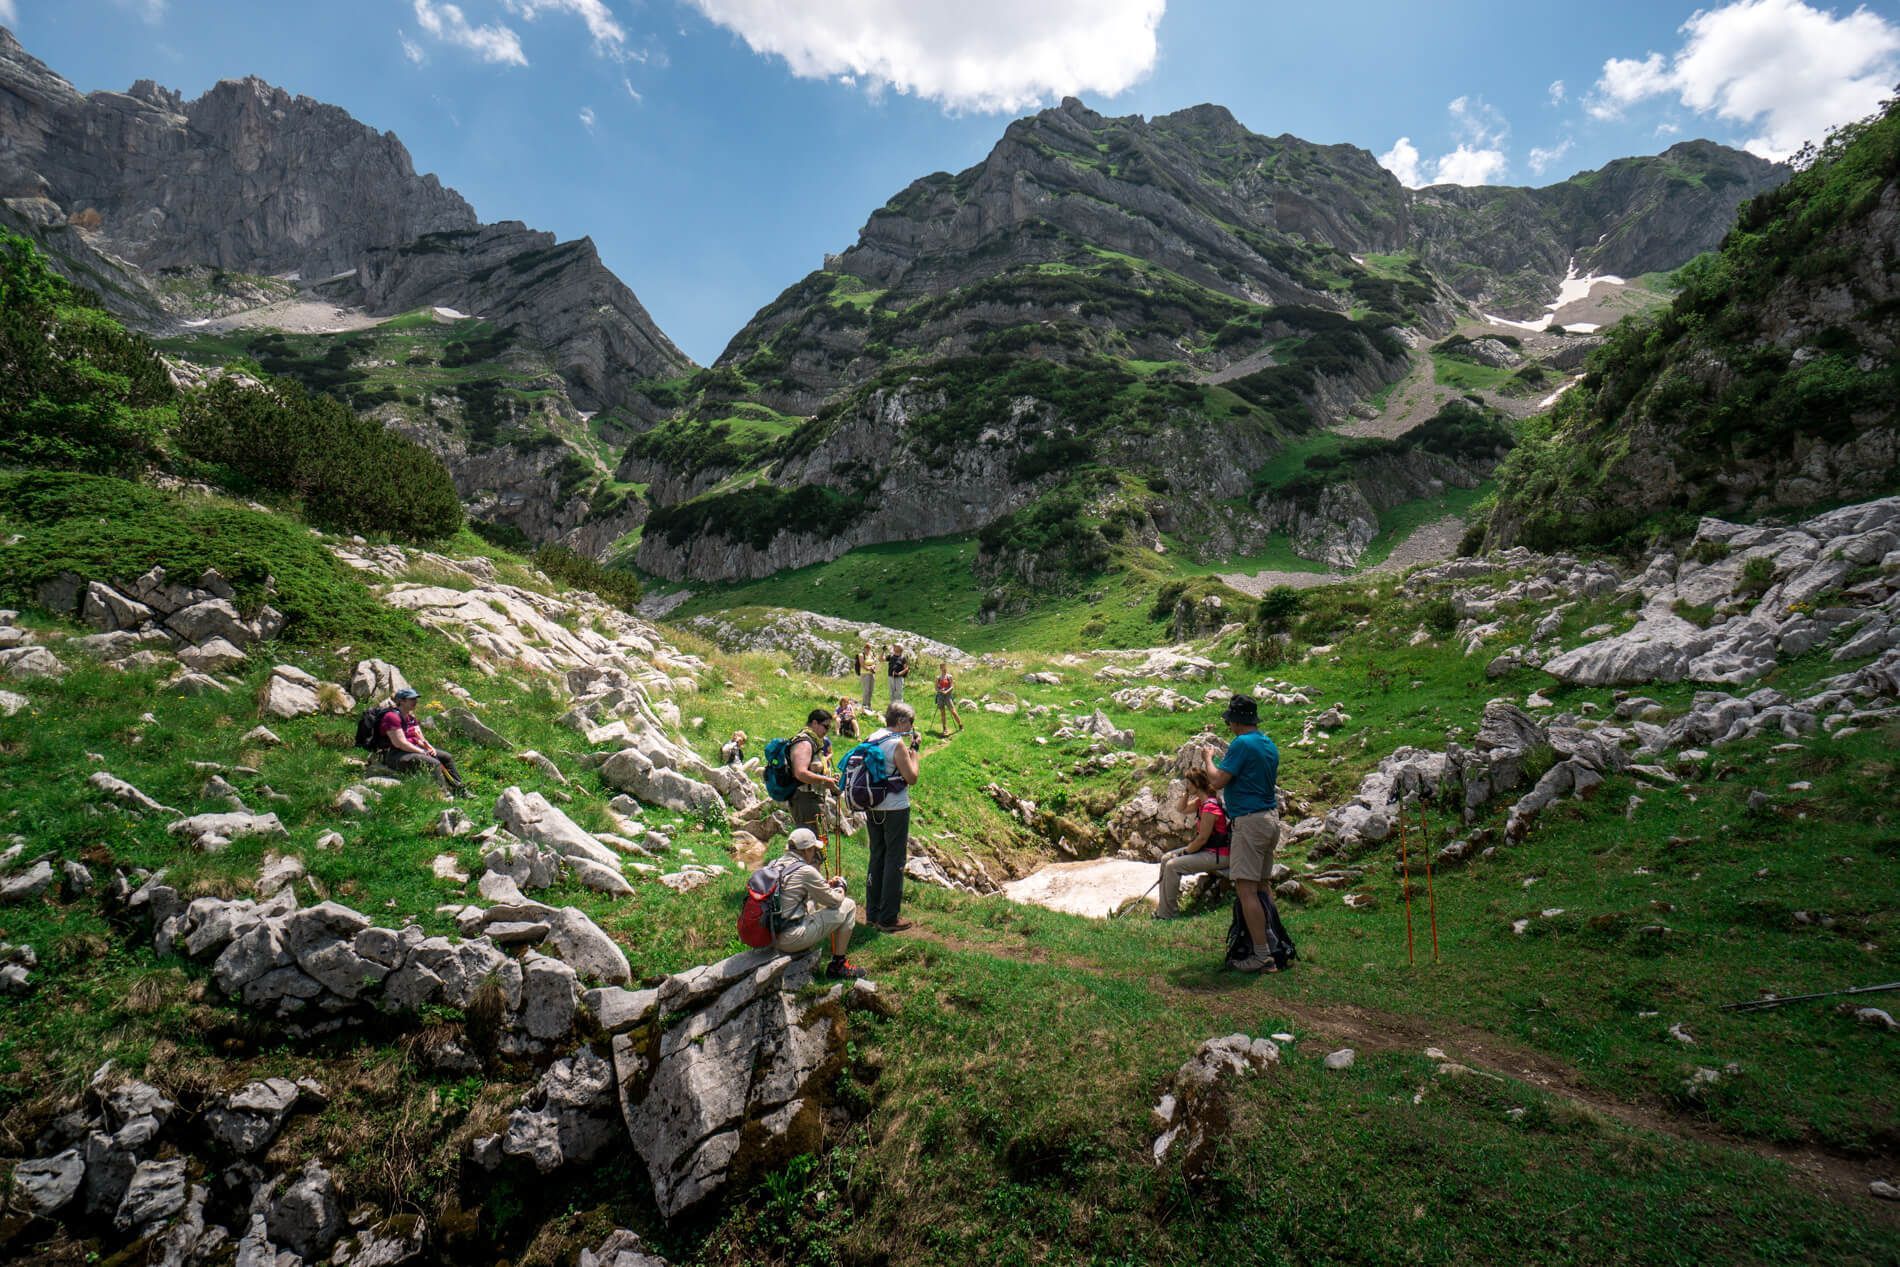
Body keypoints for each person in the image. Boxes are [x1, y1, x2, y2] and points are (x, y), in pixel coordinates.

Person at [1202, 696, 1281, 971]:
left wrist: (1208, 759)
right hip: (1271, 818)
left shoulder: (1242, 744)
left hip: (1249, 821)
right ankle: (1274, 943)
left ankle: (1261, 955)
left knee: (1245, 888)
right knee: (1261, 885)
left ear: (1235, 721)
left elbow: (1217, 780)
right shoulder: (1268, 743)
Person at [772, 828, 866, 980]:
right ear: (807, 850)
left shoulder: (775, 864)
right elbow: (834, 901)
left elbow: (793, 892)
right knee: (848, 905)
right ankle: (839, 965)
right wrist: (841, 886)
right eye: (813, 849)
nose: (815, 852)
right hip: (791, 938)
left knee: (812, 899)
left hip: (771, 934)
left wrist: (824, 886)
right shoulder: (806, 870)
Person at [863, 702, 922, 932]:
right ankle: (888, 918)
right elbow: (912, 776)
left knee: (877, 855)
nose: (911, 726)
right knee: (894, 859)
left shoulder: (873, 737)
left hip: (872, 805)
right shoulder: (896, 743)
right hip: (895, 808)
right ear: (901, 722)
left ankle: (872, 913)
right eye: (910, 722)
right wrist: (914, 750)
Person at [1155, 769, 1230, 919]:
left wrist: (1186, 852)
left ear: (1197, 784)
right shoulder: (1201, 802)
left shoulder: (1209, 807)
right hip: (1208, 850)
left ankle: (1167, 915)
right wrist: (1187, 792)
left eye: (1189, 783)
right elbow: (1180, 809)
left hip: (1218, 854)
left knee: (1172, 866)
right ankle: (1163, 909)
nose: (1186, 785)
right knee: (1165, 858)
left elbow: (1202, 838)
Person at [378, 687, 468, 797]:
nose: (415, 702)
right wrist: (422, 752)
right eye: (411, 699)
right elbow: (400, 743)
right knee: (433, 763)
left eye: (416, 699)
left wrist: (429, 748)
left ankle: (460, 790)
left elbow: (420, 737)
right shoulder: (392, 717)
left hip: (413, 750)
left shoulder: (411, 717)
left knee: (446, 757)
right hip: (396, 754)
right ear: (401, 701)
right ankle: (443, 794)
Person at [786, 707, 835, 836]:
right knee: (813, 844)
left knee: (820, 841)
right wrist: (826, 780)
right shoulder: (804, 742)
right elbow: (800, 773)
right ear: (814, 723)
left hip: (812, 799)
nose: (827, 731)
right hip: (805, 800)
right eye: (825, 726)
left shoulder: (813, 743)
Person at [933, 661, 964, 737]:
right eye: (942, 667)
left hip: (948, 696)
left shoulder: (949, 676)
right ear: (940, 668)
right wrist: (941, 691)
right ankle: (944, 729)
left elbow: (952, 686)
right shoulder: (938, 677)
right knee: (942, 713)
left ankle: (960, 725)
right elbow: (936, 688)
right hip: (940, 696)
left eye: (945, 666)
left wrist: (946, 691)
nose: (944, 668)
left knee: (953, 711)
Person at [854, 642, 876, 710]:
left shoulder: (872, 654)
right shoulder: (861, 655)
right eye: (866, 648)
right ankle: (864, 705)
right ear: (864, 648)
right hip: (864, 674)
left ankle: (868, 705)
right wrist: (870, 668)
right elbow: (862, 665)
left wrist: (873, 667)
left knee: (871, 690)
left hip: (872, 674)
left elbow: (875, 662)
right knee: (866, 690)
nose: (868, 649)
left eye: (869, 648)